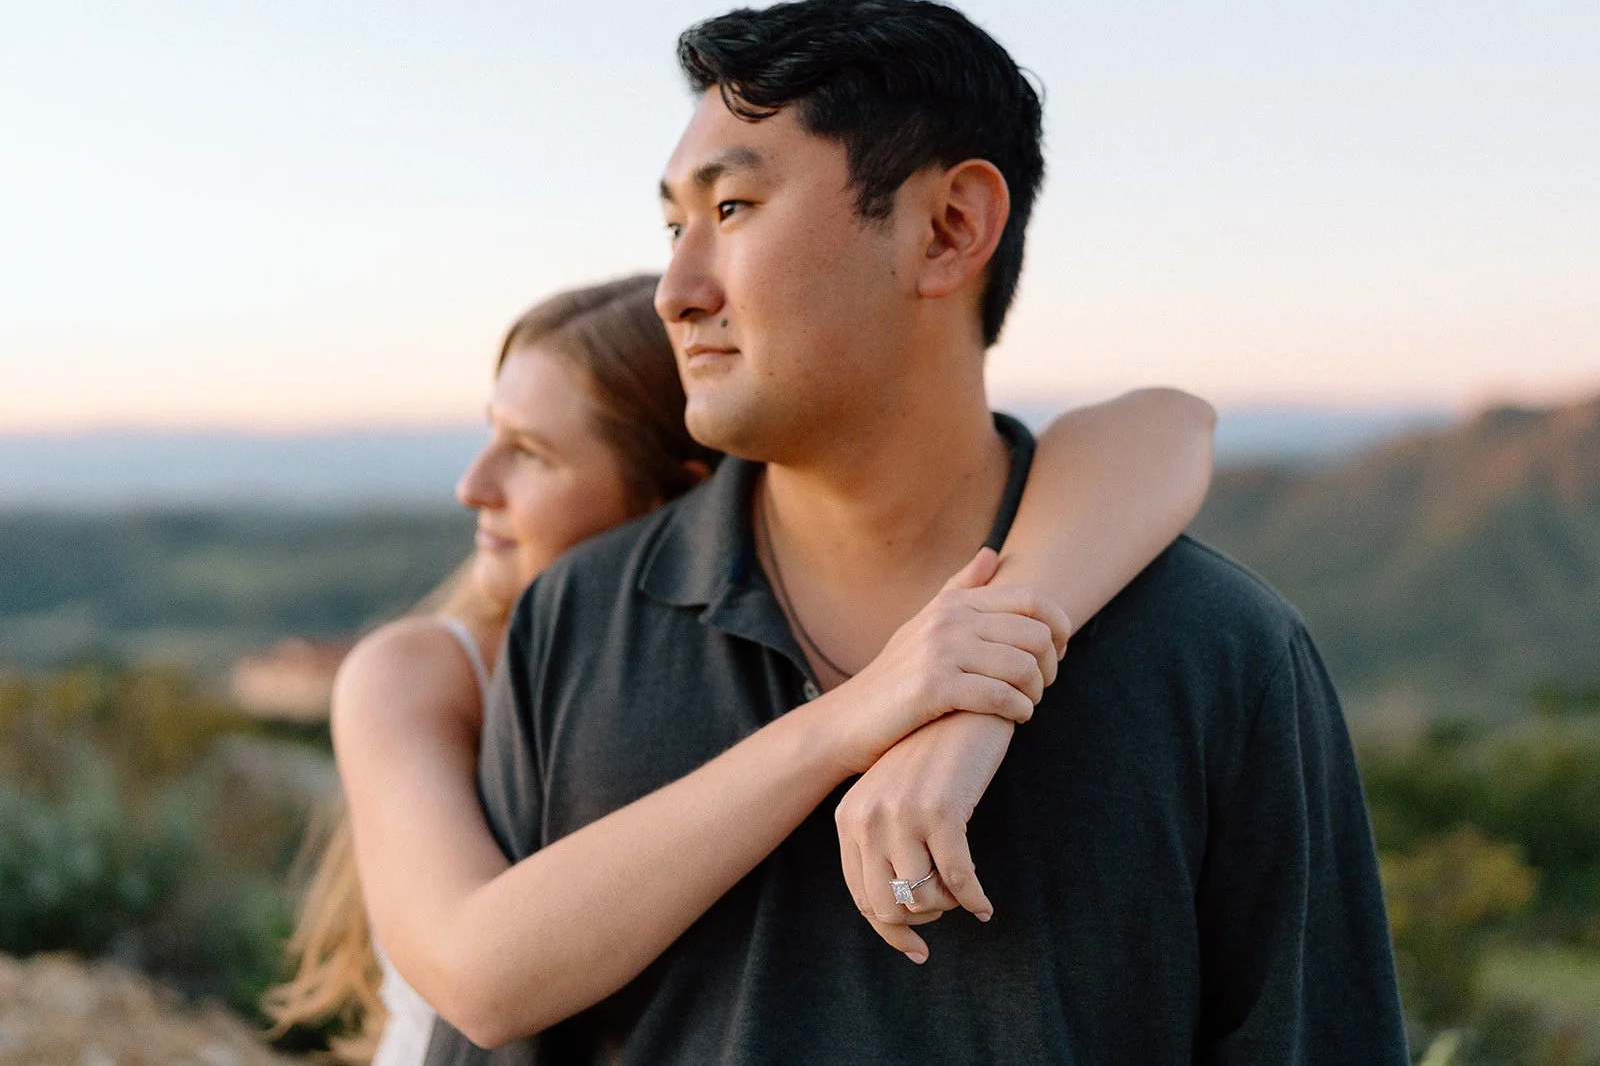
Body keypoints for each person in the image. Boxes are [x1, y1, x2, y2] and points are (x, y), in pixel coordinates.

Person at [422, 0, 1409, 1062]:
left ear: (948, 228)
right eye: (675, 227)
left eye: (734, 207)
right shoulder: (577, 623)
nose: (674, 291)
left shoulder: (1216, 653)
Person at [266, 272, 1217, 1062]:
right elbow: (477, 975)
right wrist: (857, 714)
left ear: (676, 499)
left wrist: (980, 697)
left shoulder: (732, 657)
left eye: (531, 453)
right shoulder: (416, 670)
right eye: (492, 434)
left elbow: (1168, 421)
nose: (475, 485)